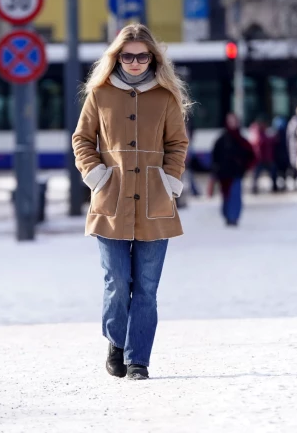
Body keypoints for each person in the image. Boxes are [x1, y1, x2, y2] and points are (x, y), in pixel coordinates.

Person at [71, 24, 190, 381]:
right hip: (111, 201)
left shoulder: (166, 97)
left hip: (155, 203)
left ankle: (138, 359)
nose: (135, 62)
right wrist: (97, 176)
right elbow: (82, 140)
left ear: (152, 57)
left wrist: (168, 181)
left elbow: (177, 145)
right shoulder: (100, 94)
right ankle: (116, 342)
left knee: (147, 287)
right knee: (117, 281)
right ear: (116, 57)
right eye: (127, 55)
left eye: (142, 55)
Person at [211, 112, 255, 226]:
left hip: (236, 174)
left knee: (235, 197)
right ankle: (227, 216)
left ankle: (234, 217)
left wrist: (244, 166)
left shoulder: (241, 140)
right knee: (226, 197)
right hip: (224, 175)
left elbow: (251, 155)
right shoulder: (221, 140)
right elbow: (215, 157)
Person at [249, 118, 278, 194]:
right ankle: (254, 188)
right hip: (259, 158)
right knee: (256, 175)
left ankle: (274, 186)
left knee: (273, 172)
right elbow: (260, 141)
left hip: (267, 157)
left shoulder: (265, 132)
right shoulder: (256, 132)